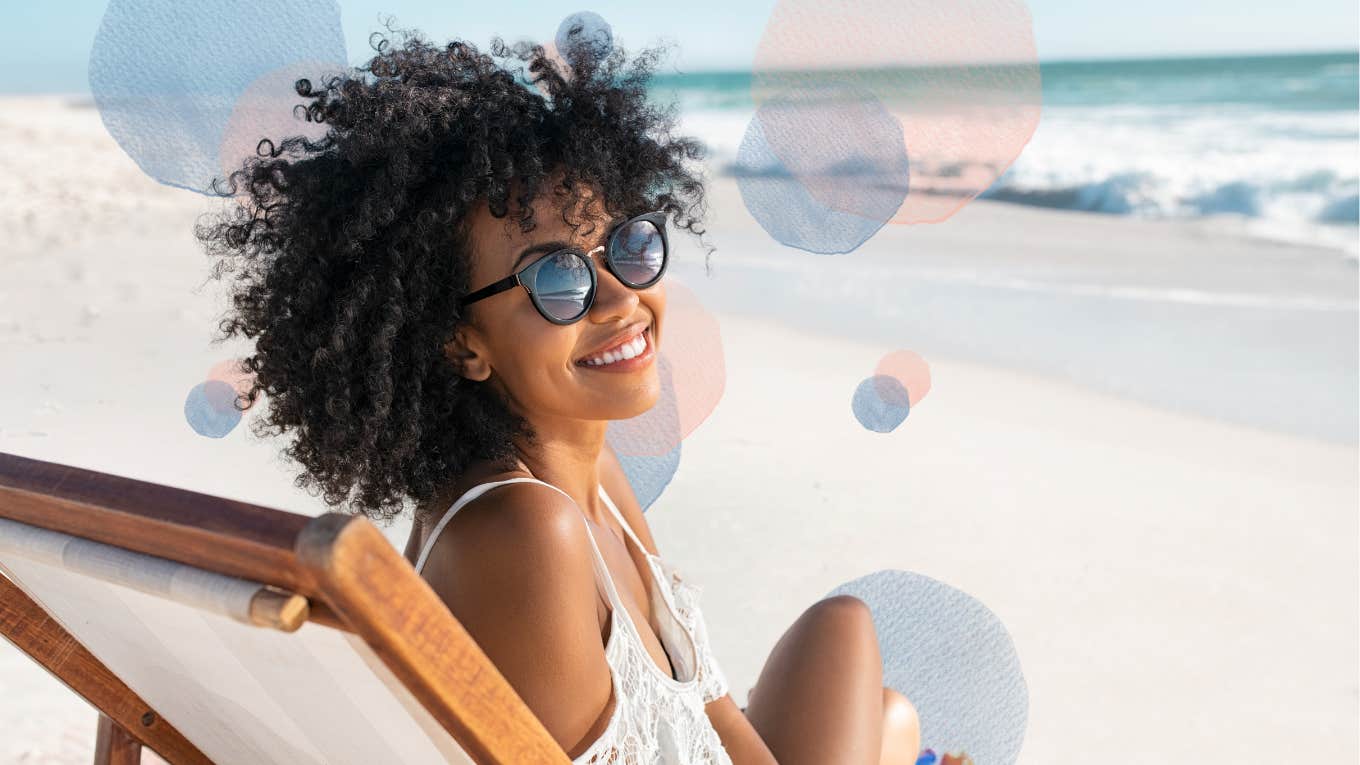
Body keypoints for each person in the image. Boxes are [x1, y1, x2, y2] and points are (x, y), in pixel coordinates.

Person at [195, 20, 921, 764]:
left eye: (627, 247)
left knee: (855, 647)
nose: (617, 299)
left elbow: (707, 709)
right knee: (883, 714)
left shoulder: (589, 473)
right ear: (461, 341)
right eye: (556, 277)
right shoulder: (523, 529)